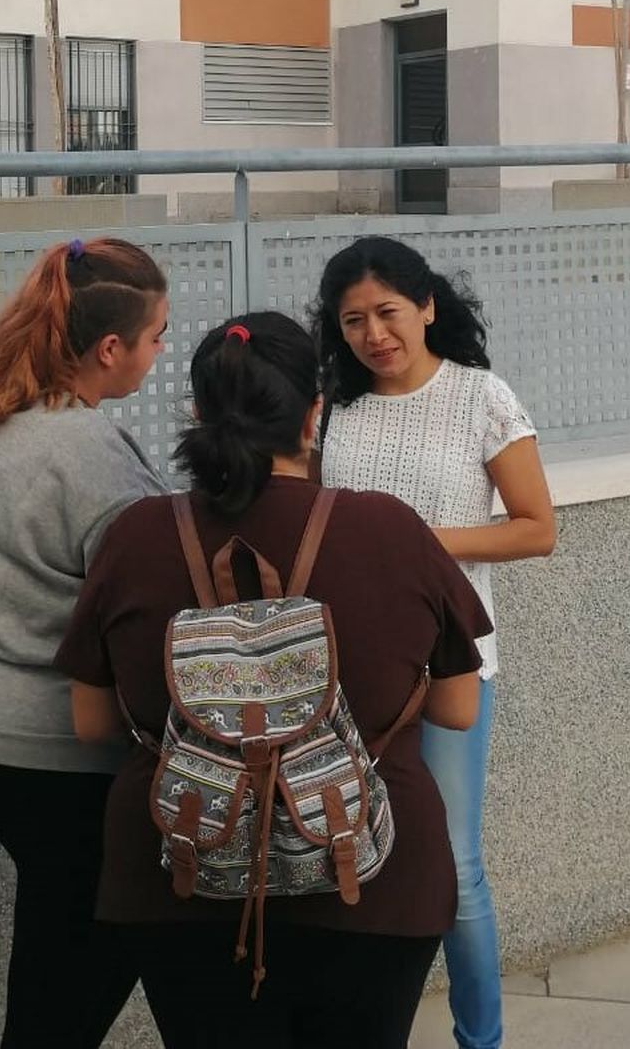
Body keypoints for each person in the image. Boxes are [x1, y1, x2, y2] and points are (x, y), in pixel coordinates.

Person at [55, 311, 492, 1049]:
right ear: (314, 412)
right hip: (371, 878)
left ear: (197, 413)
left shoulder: (135, 535)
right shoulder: (388, 528)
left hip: (179, 874)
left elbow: (92, 724)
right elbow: (456, 706)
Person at [0, 236, 169, 1048]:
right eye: (157, 336)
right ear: (110, 348)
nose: (161, 352)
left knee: (58, 931)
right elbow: (147, 607)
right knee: (87, 966)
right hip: (55, 755)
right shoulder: (93, 454)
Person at [312, 237, 556, 1049]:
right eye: (353, 321)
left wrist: (415, 540)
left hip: (452, 665)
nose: (373, 334)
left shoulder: (481, 396)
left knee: (457, 863)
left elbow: (536, 530)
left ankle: (478, 1039)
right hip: (345, 667)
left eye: (387, 312)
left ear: (427, 307)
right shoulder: (336, 407)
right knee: (348, 852)